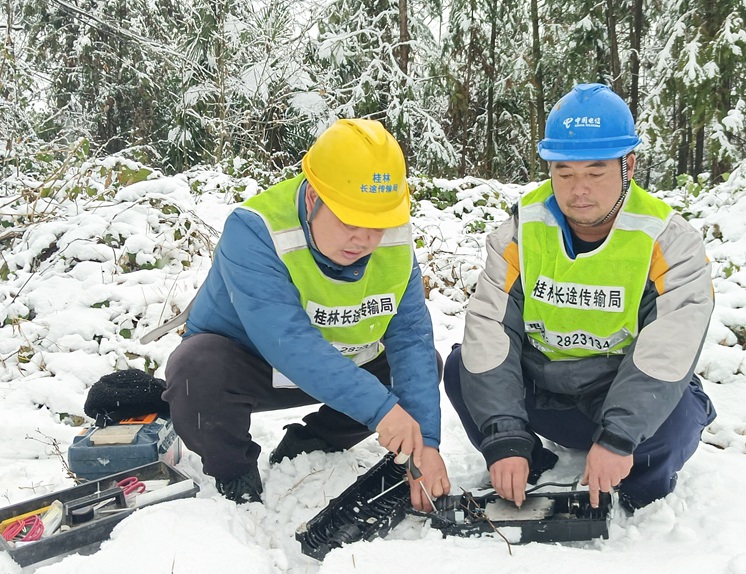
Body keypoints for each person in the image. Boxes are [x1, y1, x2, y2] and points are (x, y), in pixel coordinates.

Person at [443, 83, 716, 512]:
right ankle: (525, 459)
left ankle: (631, 486)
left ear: (629, 165)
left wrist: (620, 436)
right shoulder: (519, 232)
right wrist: (504, 435)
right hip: (544, 388)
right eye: (564, 172)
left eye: (595, 172)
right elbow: (491, 331)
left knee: (676, 420)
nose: (578, 190)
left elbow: (669, 347)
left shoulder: (669, 241)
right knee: (463, 367)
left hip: (616, 391)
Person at [160, 119, 450, 508]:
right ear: (313, 198)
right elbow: (288, 342)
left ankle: (316, 441)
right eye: (349, 220)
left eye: (377, 224)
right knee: (194, 369)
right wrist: (383, 411)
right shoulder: (254, 230)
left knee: (425, 363)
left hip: (342, 360)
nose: (364, 239)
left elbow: (410, 335)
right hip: (257, 366)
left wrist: (426, 442)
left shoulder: (392, 235)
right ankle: (233, 470)